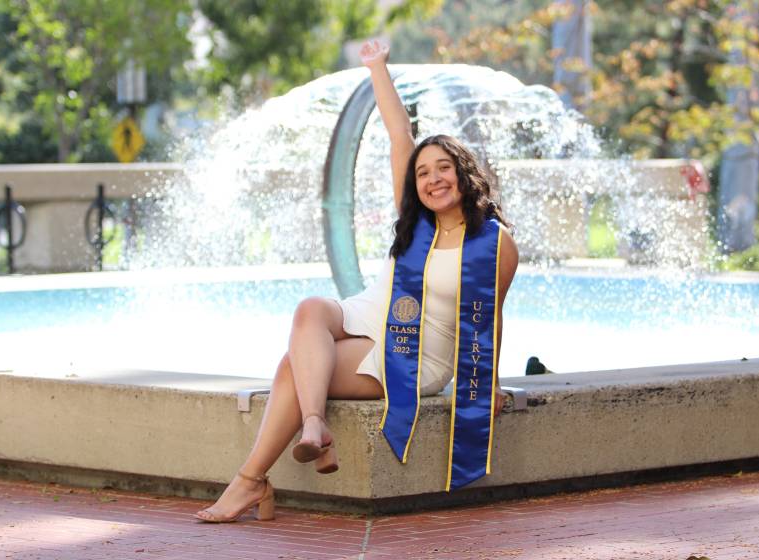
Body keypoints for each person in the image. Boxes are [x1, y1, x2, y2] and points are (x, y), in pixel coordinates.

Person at [194, 39, 518, 523]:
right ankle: (311, 427)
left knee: (293, 367)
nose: (432, 179)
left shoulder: (492, 242)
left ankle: (254, 479)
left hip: (419, 350)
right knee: (310, 309)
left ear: (463, 173)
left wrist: (488, 385)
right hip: (371, 313)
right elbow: (398, 133)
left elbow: (489, 318)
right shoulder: (417, 220)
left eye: (443, 169)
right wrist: (376, 66)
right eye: (423, 173)